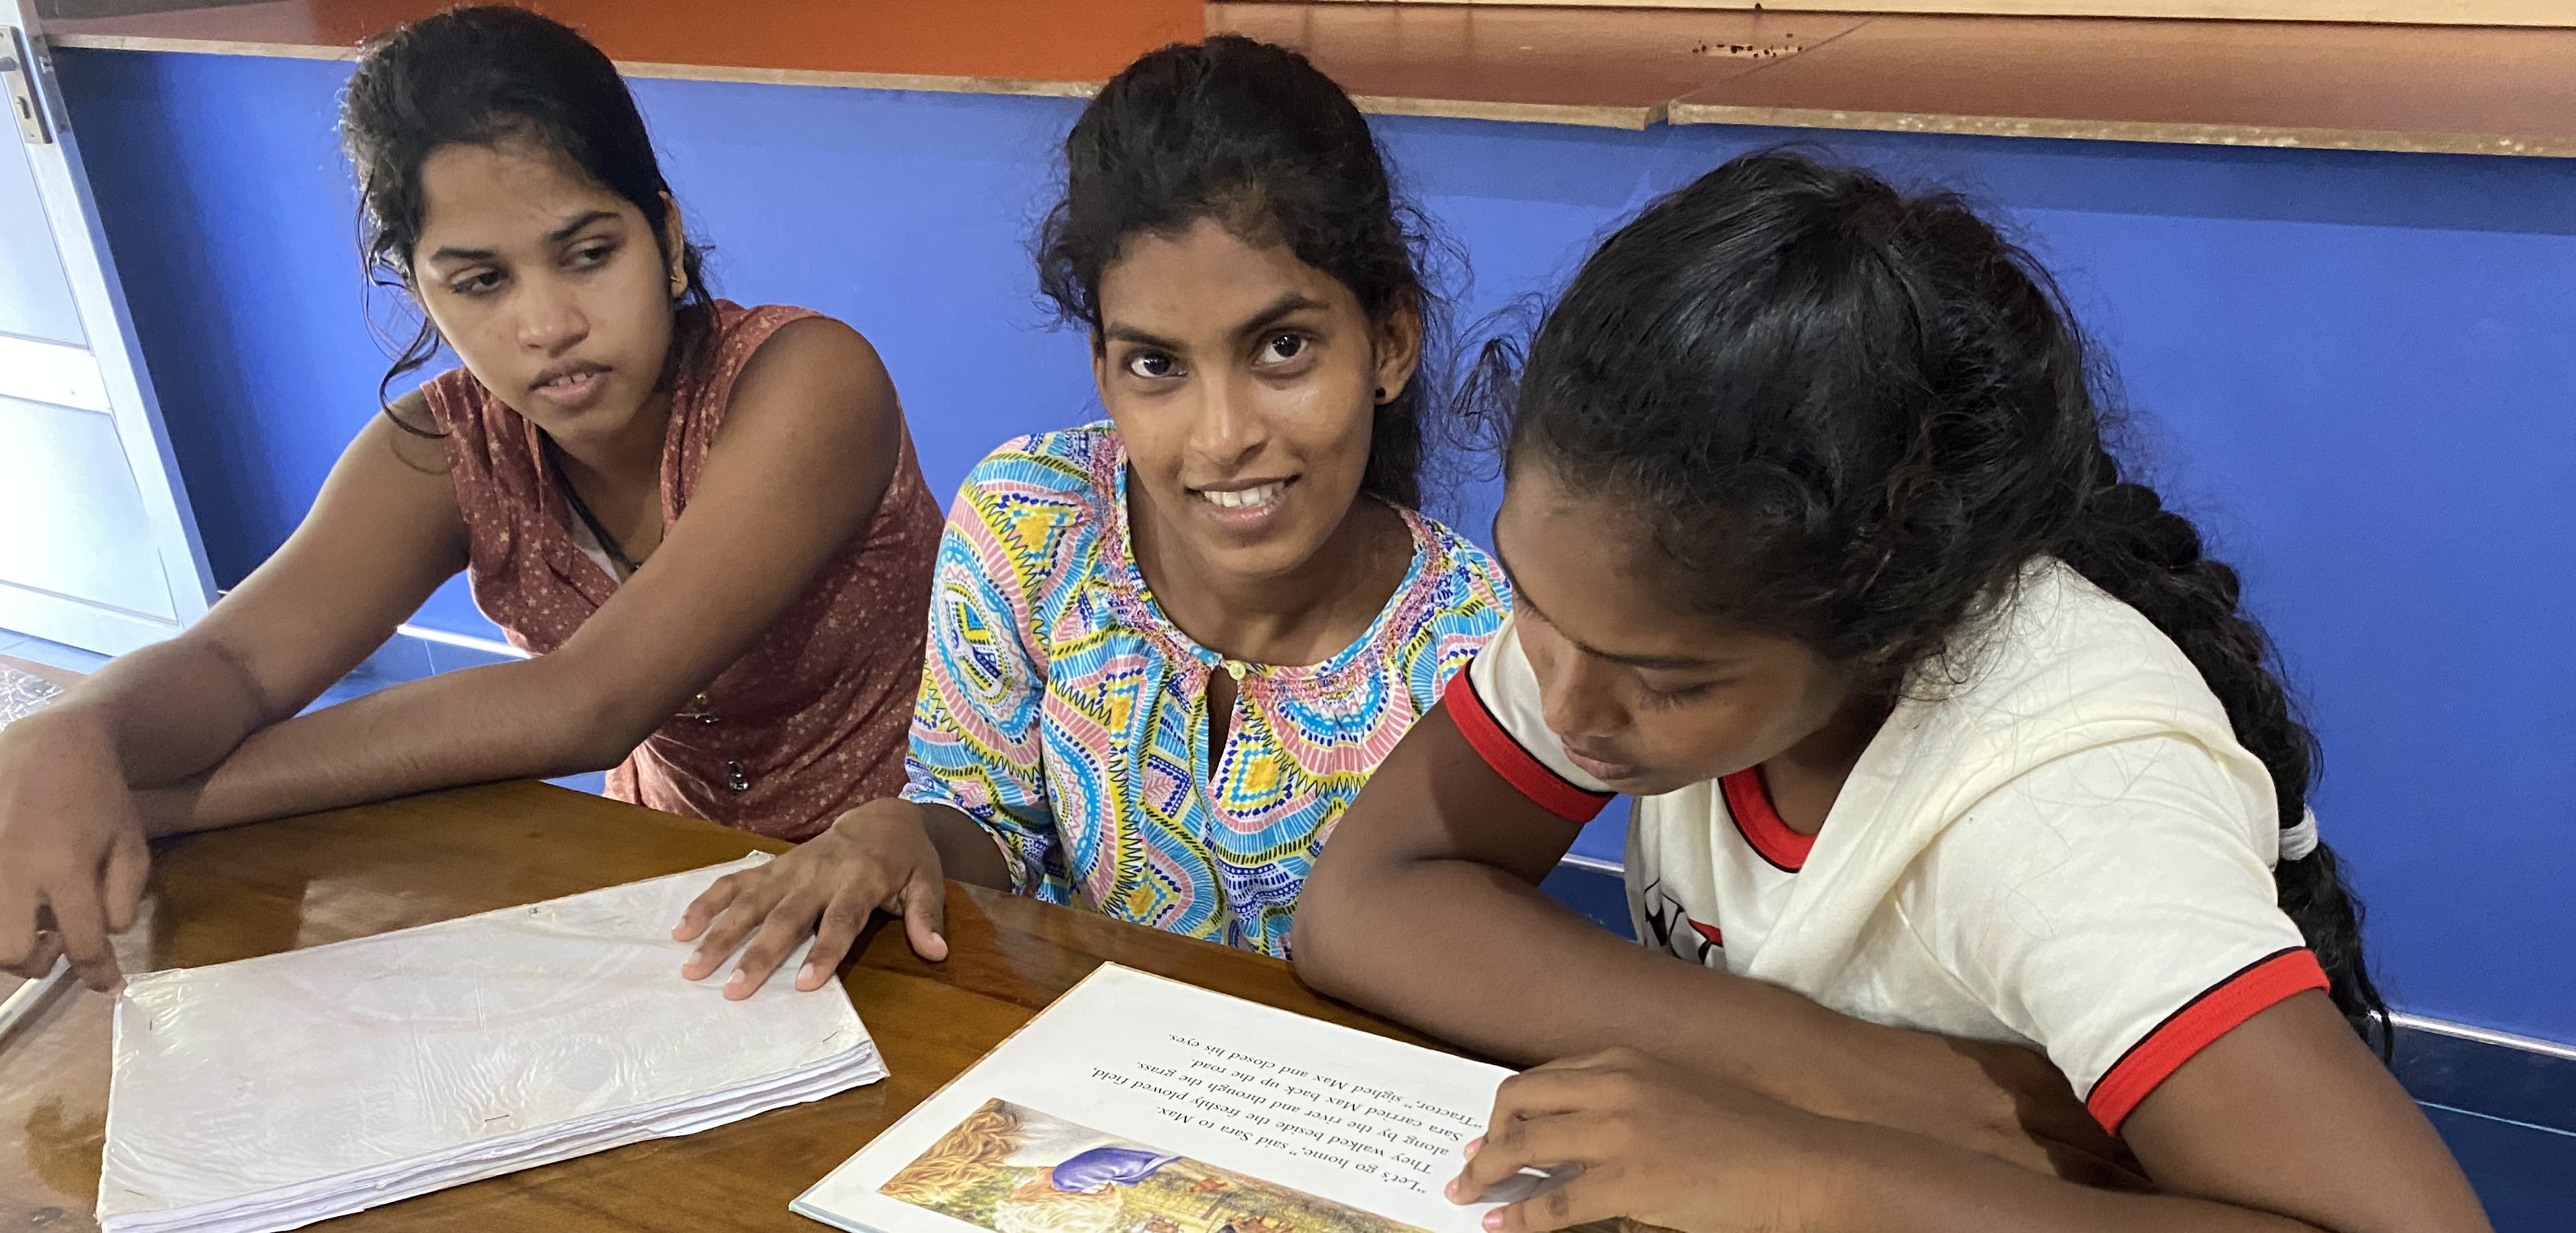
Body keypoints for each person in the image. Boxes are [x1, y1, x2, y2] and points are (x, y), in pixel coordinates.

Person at [1291, 154, 2492, 1232]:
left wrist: (1811, 1179)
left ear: (1890, 622)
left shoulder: (2066, 803)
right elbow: (1364, 902)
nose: (1564, 708)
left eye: (1667, 683)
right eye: (1528, 607)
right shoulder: (1607, 601)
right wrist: (1865, 1083)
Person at [0, 6, 943, 992]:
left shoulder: (806, 383)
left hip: (904, 875)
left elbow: (589, 703)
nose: (548, 325)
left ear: (666, 239)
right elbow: (233, 663)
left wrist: (152, 802)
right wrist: (78, 734)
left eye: (590, 254)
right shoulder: (448, 449)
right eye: (482, 282)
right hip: (682, 884)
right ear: (419, 292)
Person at [673, 35, 1507, 996]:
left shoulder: (1475, 654)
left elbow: (1458, 974)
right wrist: (905, 834)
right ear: (1105, 373)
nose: (1223, 436)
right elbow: (991, 828)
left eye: (1283, 347)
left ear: (1389, 343)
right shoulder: (1031, 526)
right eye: (1157, 364)